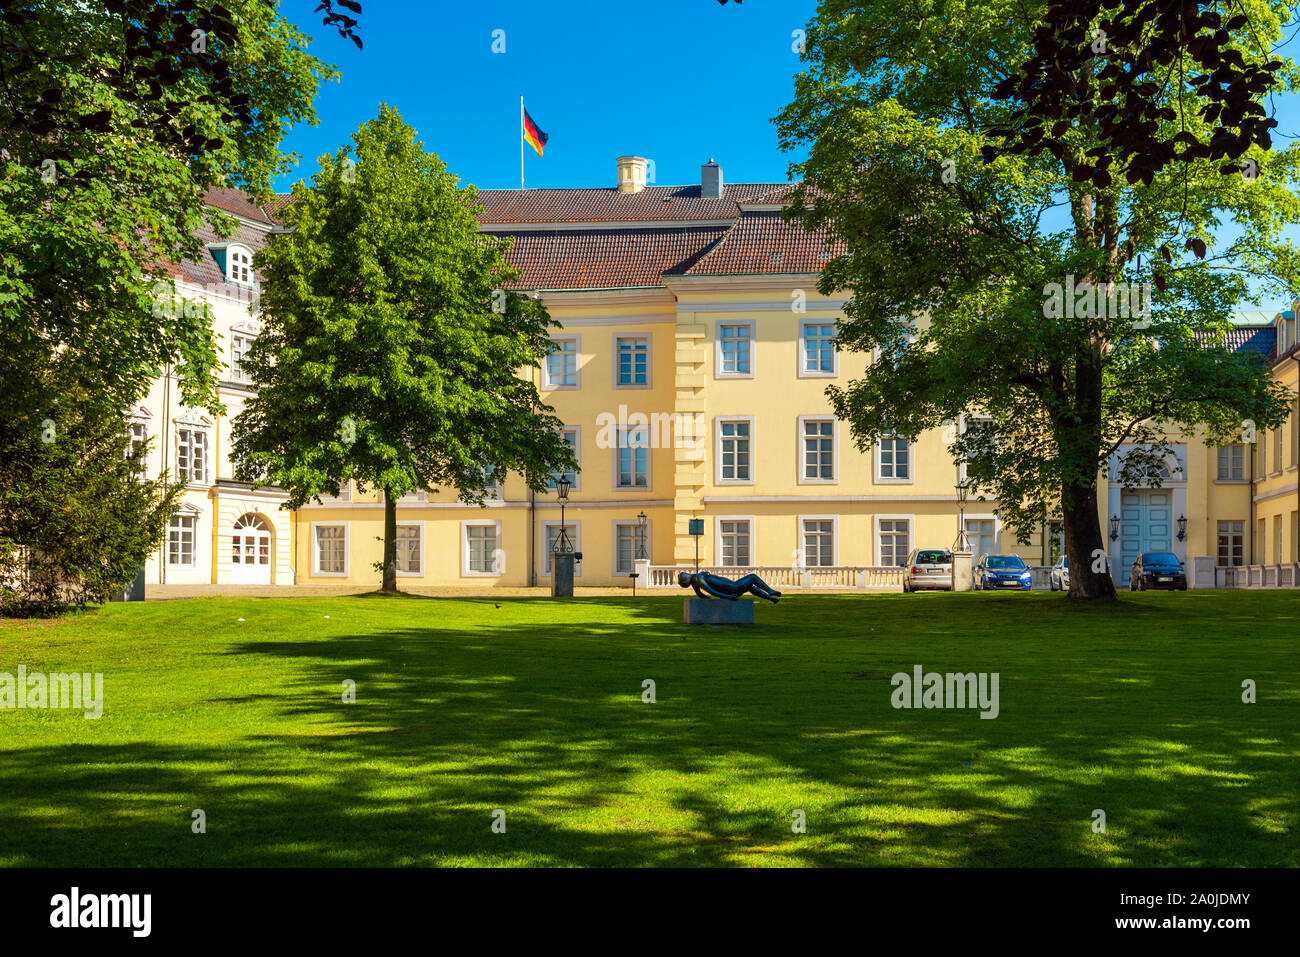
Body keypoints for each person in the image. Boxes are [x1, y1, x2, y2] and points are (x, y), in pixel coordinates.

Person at [677, 570, 781, 604]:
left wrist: (711, 603)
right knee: (753, 577)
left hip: (731, 587)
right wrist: (727, 597)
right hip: (732, 588)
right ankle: (770, 591)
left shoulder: (695, 581)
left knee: (750, 587)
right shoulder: (697, 579)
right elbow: (711, 591)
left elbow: (700, 594)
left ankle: (770, 598)